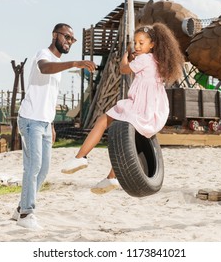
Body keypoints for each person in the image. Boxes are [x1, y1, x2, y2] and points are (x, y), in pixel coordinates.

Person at [61, 22, 185, 194]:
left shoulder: (144, 59)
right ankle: (112, 177)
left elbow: (123, 69)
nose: (138, 46)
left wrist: (126, 54)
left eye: (142, 43)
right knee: (127, 142)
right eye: (135, 42)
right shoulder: (158, 60)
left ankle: (80, 157)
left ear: (152, 44)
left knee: (102, 121)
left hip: (139, 105)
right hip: (154, 110)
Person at [12, 23, 96, 229]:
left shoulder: (58, 63)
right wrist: (75, 63)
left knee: (43, 170)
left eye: (72, 40)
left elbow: (48, 97)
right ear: (55, 35)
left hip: (44, 122)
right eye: (66, 37)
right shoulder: (44, 55)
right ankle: (26, 214)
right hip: (30, 119)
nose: (69, 42)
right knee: (33, 167)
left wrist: (51, 123)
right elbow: (44, 68)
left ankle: (20, 208)